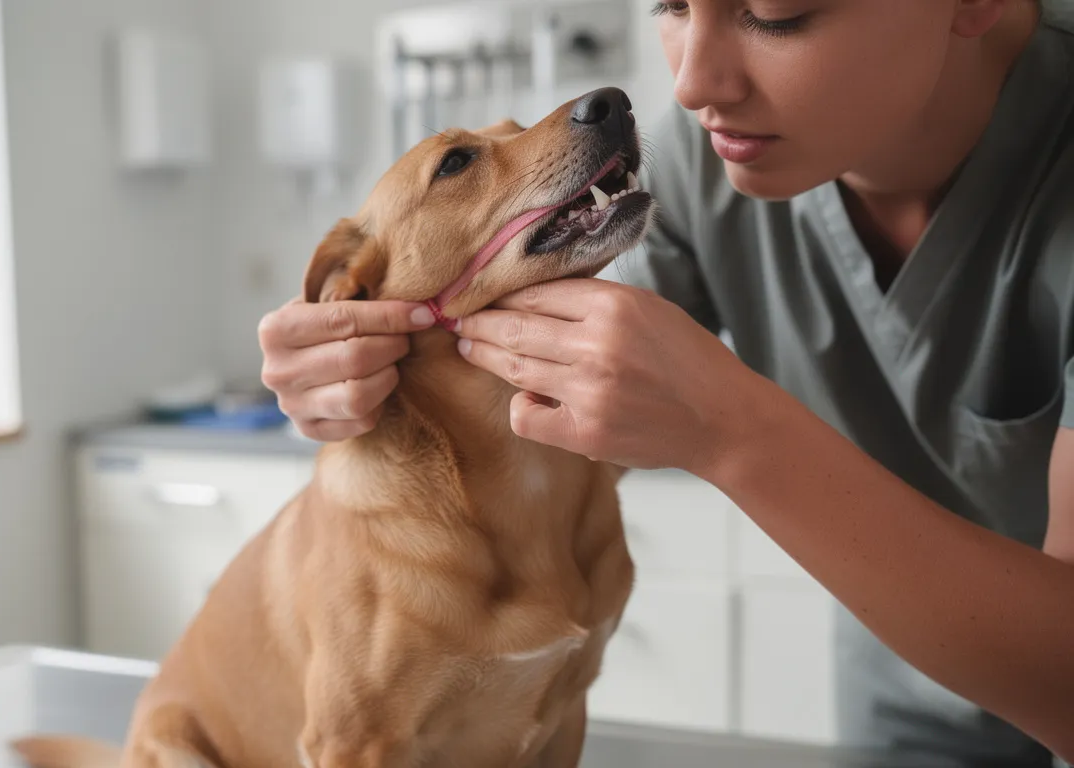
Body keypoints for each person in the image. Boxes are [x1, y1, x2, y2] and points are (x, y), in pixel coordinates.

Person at [255, 0, 1074, 764]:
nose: (690, 85)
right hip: (900, 726)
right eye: (672, 6)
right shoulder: (708, 161)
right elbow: (566, 405)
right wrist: (352, 373)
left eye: (772, 15)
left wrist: (733, 430)